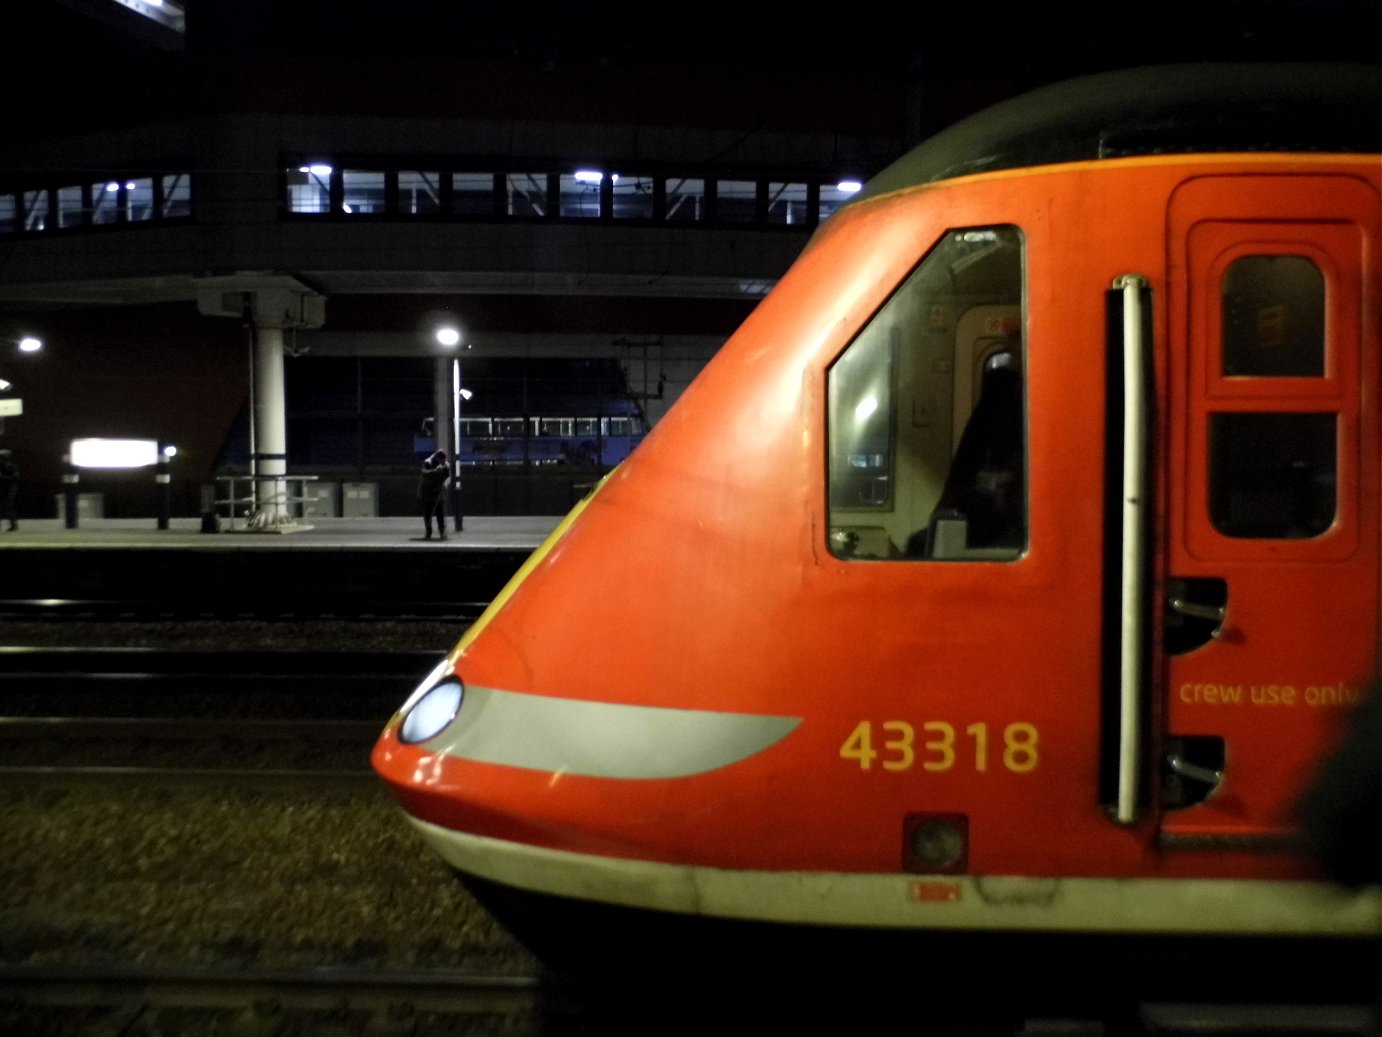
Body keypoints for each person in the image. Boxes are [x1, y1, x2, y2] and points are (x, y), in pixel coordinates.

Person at [417, 449, 450, 540]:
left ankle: (442, 531)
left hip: (437, 492)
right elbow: (424, 473)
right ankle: (428, 532)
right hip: (426, 492)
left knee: (440, 512)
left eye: (444, 461)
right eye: (441, 461)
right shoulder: (428, 462)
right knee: (428, 513)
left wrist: (445, 484)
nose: (443, 462)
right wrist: (435, 471)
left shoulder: (445, 465)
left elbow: (448, 477)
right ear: (437, 458)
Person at [0, 448, 17, 531]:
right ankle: (13, 525)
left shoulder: (12, 466)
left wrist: (2, 477)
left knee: (9, 507)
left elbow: (15, 478)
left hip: (9, 489)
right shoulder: (1, 466)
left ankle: (13, 525)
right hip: (2, 489)